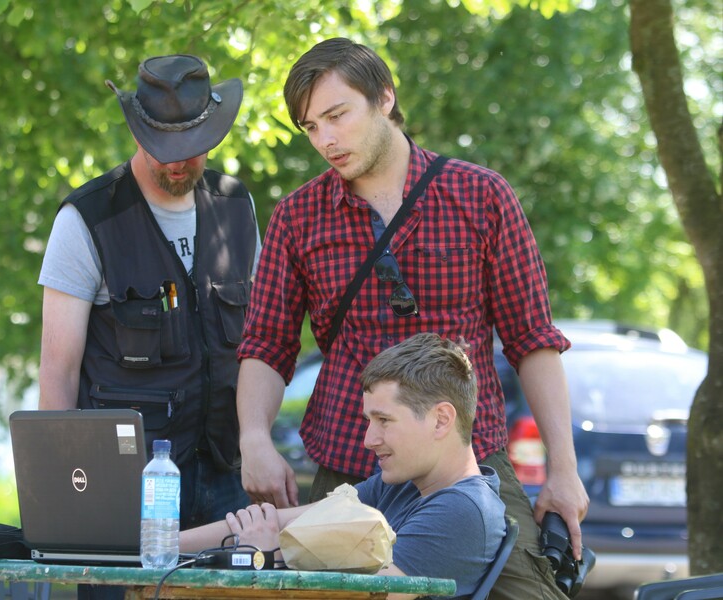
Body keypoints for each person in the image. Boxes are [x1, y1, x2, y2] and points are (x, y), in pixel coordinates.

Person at [236, 38, 589, 600]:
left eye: (336, 115)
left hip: (470, 465)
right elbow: (267, 345)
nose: (325, 139)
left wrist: (564, 471)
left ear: (384, 98)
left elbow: (534, 341)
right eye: (310, 127)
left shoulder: (482, 196)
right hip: (352, 461)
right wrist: (254, 436)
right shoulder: (296, 217)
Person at [38, 54, 259, 530]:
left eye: (194, 145)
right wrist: (59, 493)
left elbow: (257, 346)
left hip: (229, 473)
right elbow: (58, 373)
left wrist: (259, 442)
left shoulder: (237, 206)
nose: (178, 160)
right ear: (138, 133)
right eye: (163, 144)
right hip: (127, 479)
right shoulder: (86, 219)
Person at [184, 333, 506, 599]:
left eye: (384, 420)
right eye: (370, 420)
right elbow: (277, 523)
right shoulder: (399, 486)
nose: (368, 439)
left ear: (441, 420)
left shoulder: (461, 509)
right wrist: (155, 548)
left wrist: (262, 561)